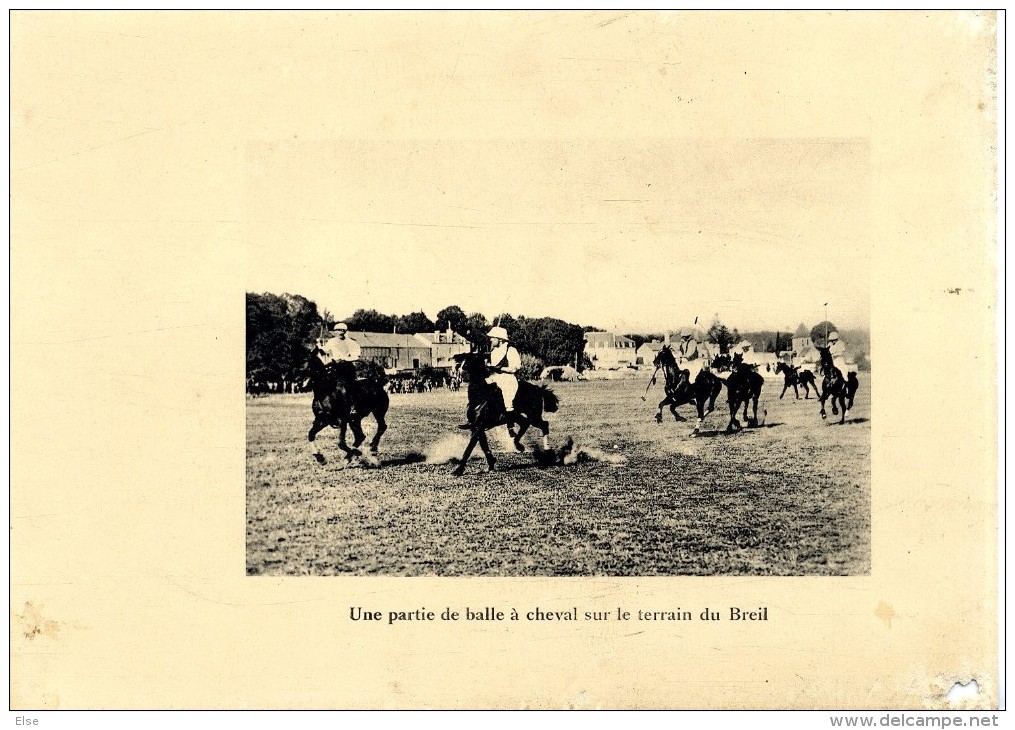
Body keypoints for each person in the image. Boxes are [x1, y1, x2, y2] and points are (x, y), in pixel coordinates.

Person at [486, 326, 521, 415]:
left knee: (507, 399)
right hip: (494, 377)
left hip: (507, 379)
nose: (491, 340)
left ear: (500, 340)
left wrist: (500, 368)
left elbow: (514, 368)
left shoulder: (511, 350)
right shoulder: (493, 351)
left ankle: (510, 424)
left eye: (493, 338)